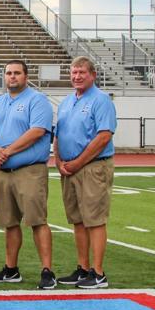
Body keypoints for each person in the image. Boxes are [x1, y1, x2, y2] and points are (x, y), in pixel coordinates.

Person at [0, 60, 56, 290]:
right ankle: (11, 269)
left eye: (17, 73)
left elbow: (37, 131)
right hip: (3, 172)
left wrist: (7, 150)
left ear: (25, 76)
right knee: (9, 223)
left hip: (29, 170)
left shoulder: (37, 100)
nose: (12, 77)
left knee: (37, 220)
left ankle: (47, 271)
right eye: (9, 73)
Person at [54, 56, 116, 289]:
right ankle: (83, 268)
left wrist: (78, 162)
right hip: (69, 168)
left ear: (93, 75)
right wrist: (59, 160)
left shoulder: (101, 100)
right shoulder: (67, 101)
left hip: (92, 167)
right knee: (78, 220)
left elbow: (103, 136)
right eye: (74, 72)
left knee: (95, 220)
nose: (77, 76)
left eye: (82, 72)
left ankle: (98, 273)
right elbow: (58, 135)